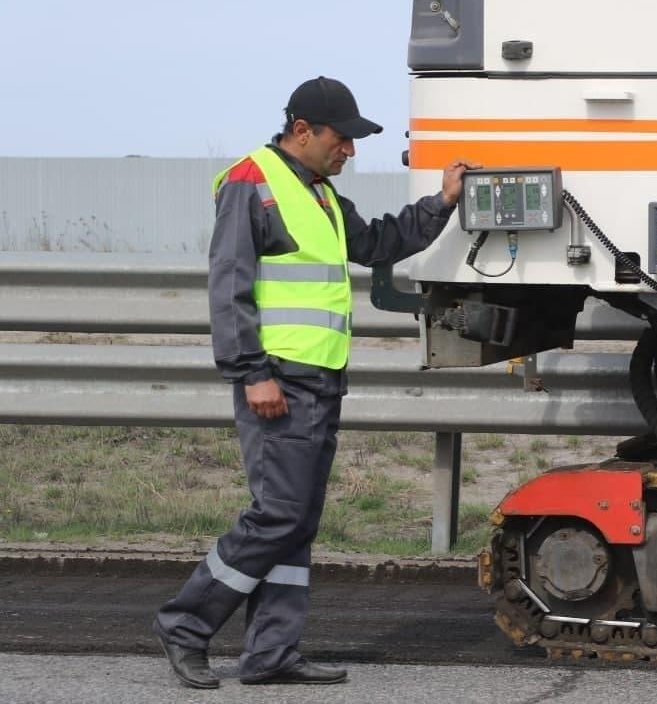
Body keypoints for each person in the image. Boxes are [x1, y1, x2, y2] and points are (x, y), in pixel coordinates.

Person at [153, 76, 475, 688]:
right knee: (277, 515)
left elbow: (380, 242)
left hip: (320, 381)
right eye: (342, 138)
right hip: (278, 382)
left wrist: (443, 200)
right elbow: (229, 288)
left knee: (297, 519)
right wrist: (252, 375)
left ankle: (271, 653)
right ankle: (185, 623)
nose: (350, 150)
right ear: (303, 131)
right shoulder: (253, 184)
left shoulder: (320, 194)